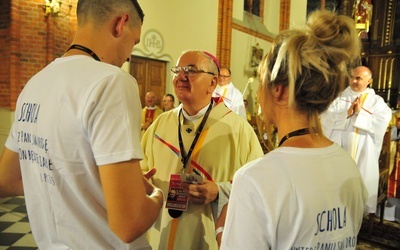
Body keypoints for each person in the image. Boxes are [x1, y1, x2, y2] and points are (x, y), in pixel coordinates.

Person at [0, 0, 164, 249]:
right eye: (134, 41)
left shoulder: (35, 83)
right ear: (121, 23)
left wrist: (109, 183)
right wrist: (156, 196)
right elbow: (129, 223)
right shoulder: (112, 82)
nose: (130, 54)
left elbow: (7, 180)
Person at [220, 10, 368, 249]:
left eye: (261, 81)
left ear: (278, 90)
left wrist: (221, 230)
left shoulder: (255, 180)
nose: (258, 93)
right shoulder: (347, 165)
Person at [141, 50, 264, 250]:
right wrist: (141, 181)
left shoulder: (238, 129)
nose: (181, 76)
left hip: (206, 238)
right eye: (177, 70)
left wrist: (220, 190)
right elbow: (139, 169)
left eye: (191, 70)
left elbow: (259, 187)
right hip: (160, 234)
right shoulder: (161, 124)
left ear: (213, 83)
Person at [321, 66, 392, 215]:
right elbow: (324, 119)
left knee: (358, 195)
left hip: (363, 153)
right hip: (339, 152)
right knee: (335, 192)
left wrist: (360, 114)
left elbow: (383, 120)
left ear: (369, 81)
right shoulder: (338, 98)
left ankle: (356, 223)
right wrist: (346, 114)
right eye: (352, 77)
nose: (353, 81)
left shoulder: (376, 102)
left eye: (358, 78)